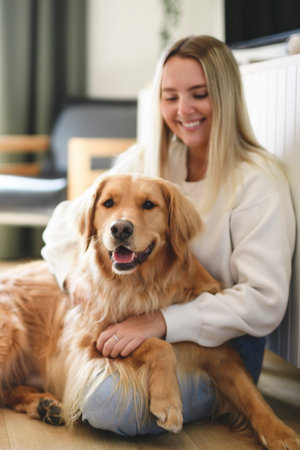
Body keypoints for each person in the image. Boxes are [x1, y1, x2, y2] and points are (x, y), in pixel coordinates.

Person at [42, 35, 295, 435]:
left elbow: (264, 302)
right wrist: (72, 278)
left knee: (106, 402)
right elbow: (64, 220)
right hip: (138, 319)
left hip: (223, 343)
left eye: (199, 94)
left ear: (226, 97)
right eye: (170, 96)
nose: (184, 110)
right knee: (83, 373)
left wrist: (163, 322)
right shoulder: (150, 158)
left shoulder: (257, 181)